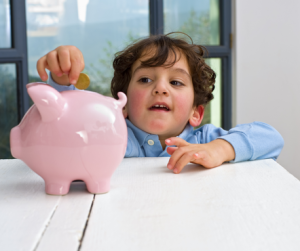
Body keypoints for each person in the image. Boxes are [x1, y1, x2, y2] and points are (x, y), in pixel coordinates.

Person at [36, 33, 284, 174]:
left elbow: (271, 138)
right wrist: (62, 81)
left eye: (176, 83)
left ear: (196, 113)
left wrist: (219, 150)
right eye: (145, 79)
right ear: (121, 105)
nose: (160, 88)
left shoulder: (203, 140)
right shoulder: (109, 138)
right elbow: (63, 133)